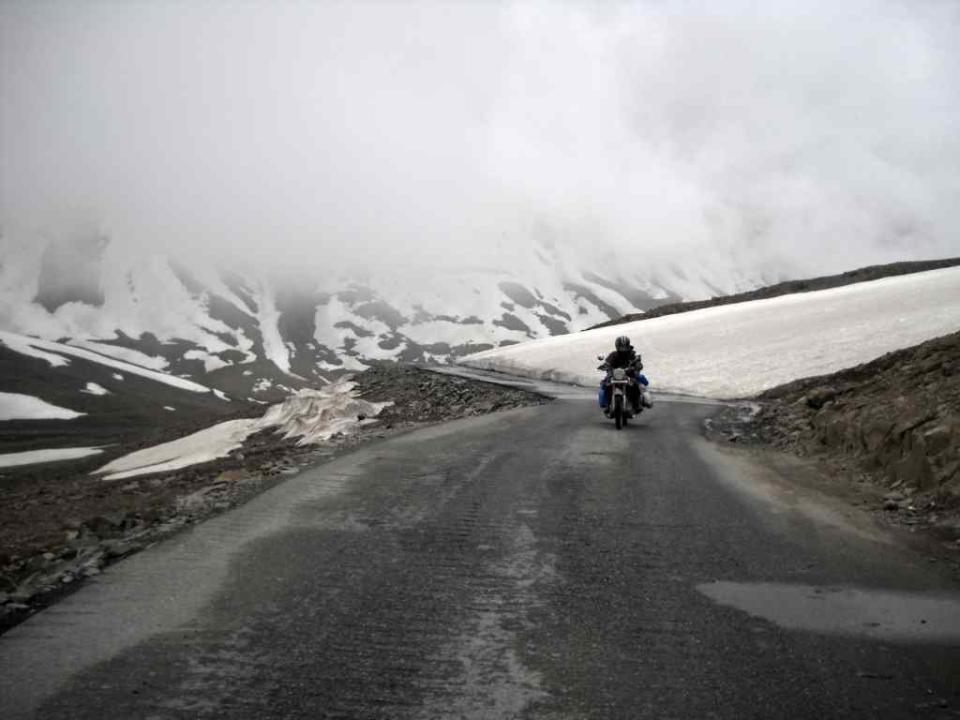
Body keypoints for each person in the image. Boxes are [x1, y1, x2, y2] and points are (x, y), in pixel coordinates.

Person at [598, 335, 652, 413]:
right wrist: (604, 366)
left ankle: (636, 404)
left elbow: (637, 362)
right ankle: (607, 404)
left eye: (624, 346)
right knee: (605, 384)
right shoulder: (613, 354)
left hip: (629, 374)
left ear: (628, 345)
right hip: (614, 374)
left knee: (635, 385)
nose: (623, 349)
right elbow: (608, 362)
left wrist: (637, 365)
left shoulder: (632, 354)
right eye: (621, 346)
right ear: (617, 346)